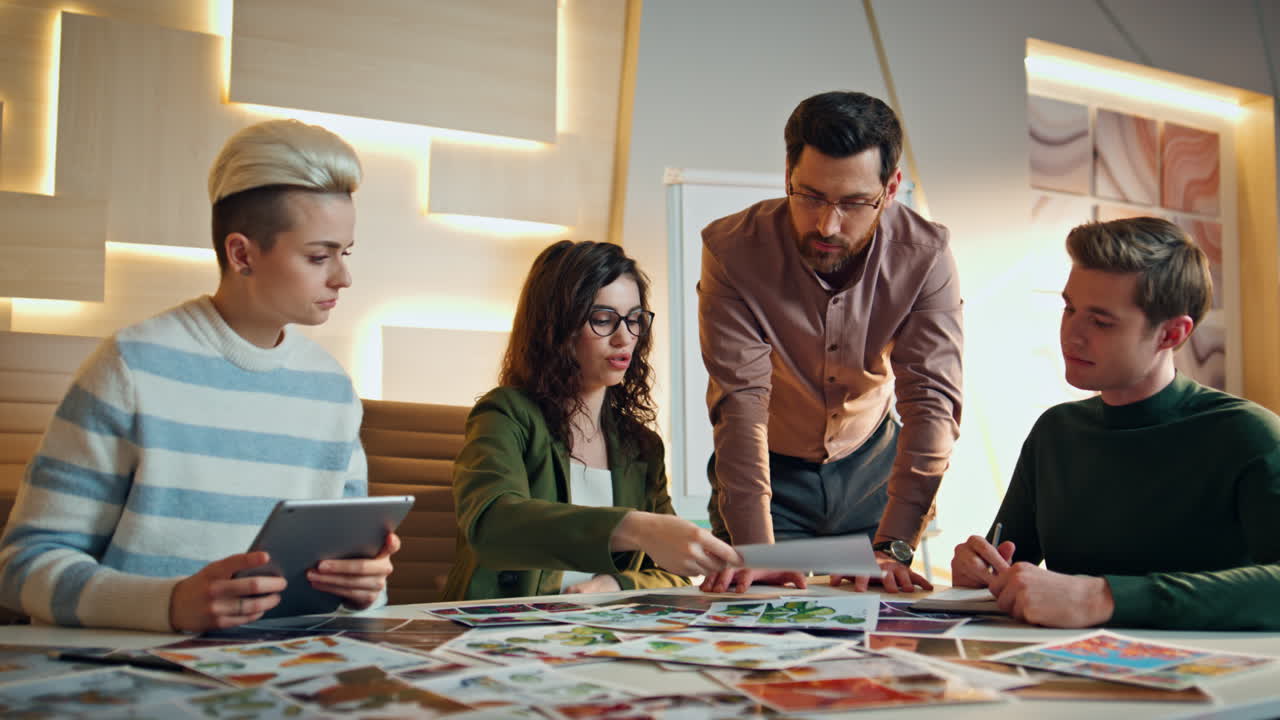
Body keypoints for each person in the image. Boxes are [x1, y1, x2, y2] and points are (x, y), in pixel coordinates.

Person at [0, 119, 399, 632]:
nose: (343, 277)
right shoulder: (131, 365)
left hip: (275, 674)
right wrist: (169, 605)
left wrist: (366, 585)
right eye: (319, 256)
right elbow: (21, 567)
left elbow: (352, 575)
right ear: (241, 254)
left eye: (344, 254)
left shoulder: (333, 388)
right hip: (126, 677)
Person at [951, 217, 1280, 630]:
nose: (1072, 334)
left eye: (1101, 321)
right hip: (1060, 672)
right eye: (1069, 308)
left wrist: (1103, 597)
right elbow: (1008, 566)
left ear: (1172, 334)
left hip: (1210, 682)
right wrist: (978, 570)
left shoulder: (1248, 435)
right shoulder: (1056, 432)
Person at [698, 90, 961, 594]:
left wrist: (896, 544)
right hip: (768, 479)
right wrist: (758, 550)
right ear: (787, 176)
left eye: (855, 202)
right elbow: (741, 404)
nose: (827, 224)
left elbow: (932, 404)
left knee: (876, 634)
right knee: (759, 629)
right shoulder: (732, 251)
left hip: (874, 475)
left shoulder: (925, 255)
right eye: (811, 196)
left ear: (891, 188)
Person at [444, 240, 740, 600]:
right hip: (511, 628)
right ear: (555, 326)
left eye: (635, 319)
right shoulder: (505, 414)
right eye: (602, 319)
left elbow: (671, 574)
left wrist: (617, 584)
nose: (625, 337)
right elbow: (492, 525)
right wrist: (637, 528)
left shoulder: (641, 445)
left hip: (603, 629)